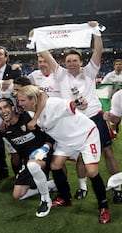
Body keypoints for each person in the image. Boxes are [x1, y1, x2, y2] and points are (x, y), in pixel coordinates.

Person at [39, 21, 122, 203]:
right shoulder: (60, 74)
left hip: (95, 117)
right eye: (68, 61)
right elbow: (45, 53)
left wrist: (96, 32)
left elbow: (98, 51)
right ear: (65, 63)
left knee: (108, 151)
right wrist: (37, 37)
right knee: (79, 156)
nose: (71, 63)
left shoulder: (90, 71)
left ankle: (117, 188)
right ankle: (83, 187)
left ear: (80, 61)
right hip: (75, 121)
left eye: (75, 60)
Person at [17, 85, 111, 224]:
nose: (20, 103)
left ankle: (103, 207)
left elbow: (72, 104)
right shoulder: (31, 112)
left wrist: (80, 102)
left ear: (33, 100)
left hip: (86, 135)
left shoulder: (53, 104)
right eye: (19, 100)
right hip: (65, 141)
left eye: (23, 100)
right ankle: (65, 198)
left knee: (91, 171)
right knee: (55, 166)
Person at [0, 97, 55, 218]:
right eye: (0, 109)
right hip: (28, 160)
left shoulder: (28, 118)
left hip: (45, 153)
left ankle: (45, 200)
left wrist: (45, 148)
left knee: (33, 165)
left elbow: (49, 134)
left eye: (5, 107)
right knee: (17, 195)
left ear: (13, 108)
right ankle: (50, 185)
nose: (3, 111)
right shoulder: (5, 128)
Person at [0, 46, 21, 180]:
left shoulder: (14, 71)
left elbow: (21, 85)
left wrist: (13, 81)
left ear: (6, 58)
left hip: (12, 117)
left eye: (0, 54)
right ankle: (2, 171)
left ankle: (19, 172)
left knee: (16, 146)